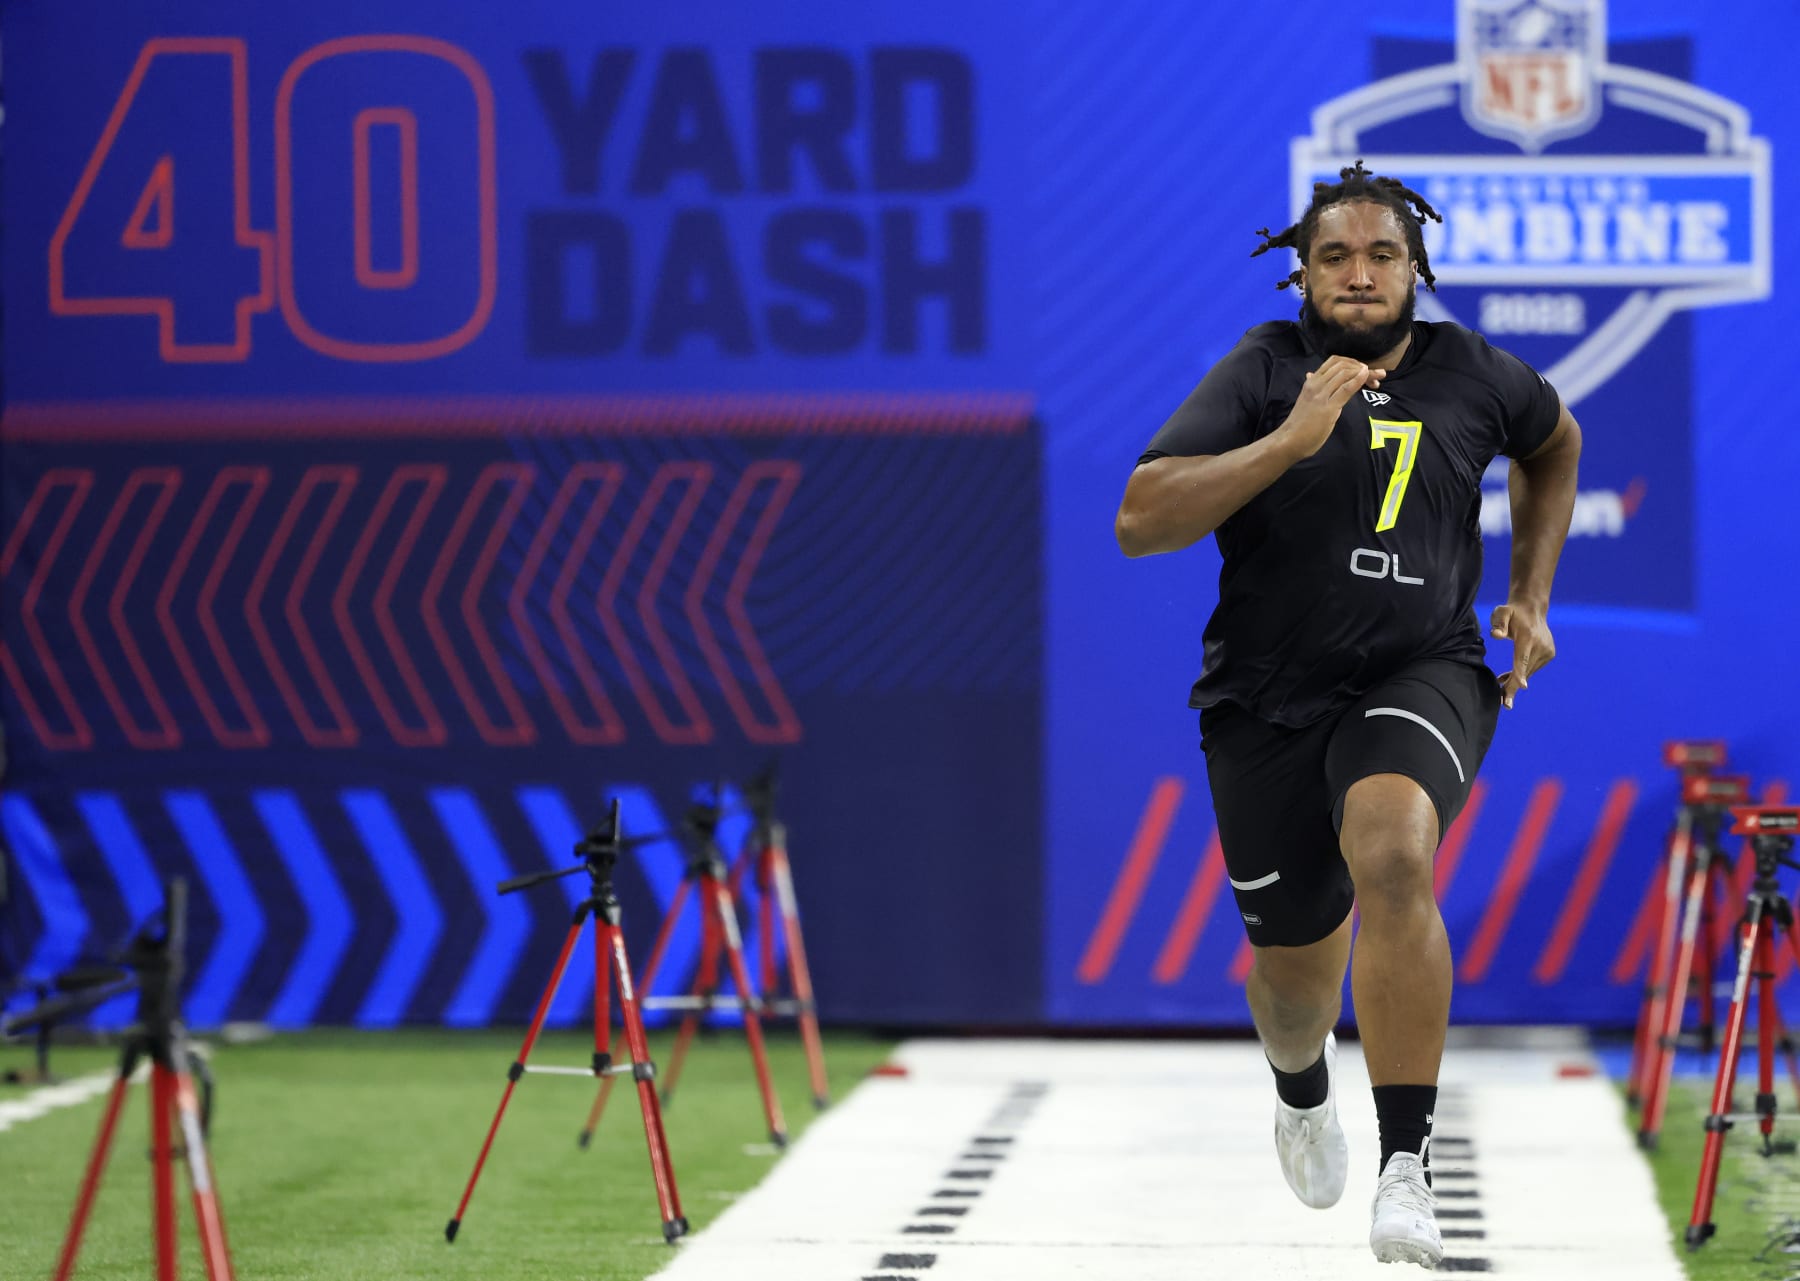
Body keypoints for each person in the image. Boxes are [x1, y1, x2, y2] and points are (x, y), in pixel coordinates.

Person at [1114, 161, 1581, 1268]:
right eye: (1335, 257)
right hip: (1266, 696)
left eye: (1382, 255)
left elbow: (1554, 443)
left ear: (1416, 267)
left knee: (1394, 849)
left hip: (1422, 669)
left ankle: (1408, 1167)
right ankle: (1301, 1086)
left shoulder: (1475, 371)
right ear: (1302, 275)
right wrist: (1284, 442)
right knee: (1291, 979)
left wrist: (1532, 592)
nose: (1361, 274)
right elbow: (1139, 519)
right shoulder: (1266, 367)